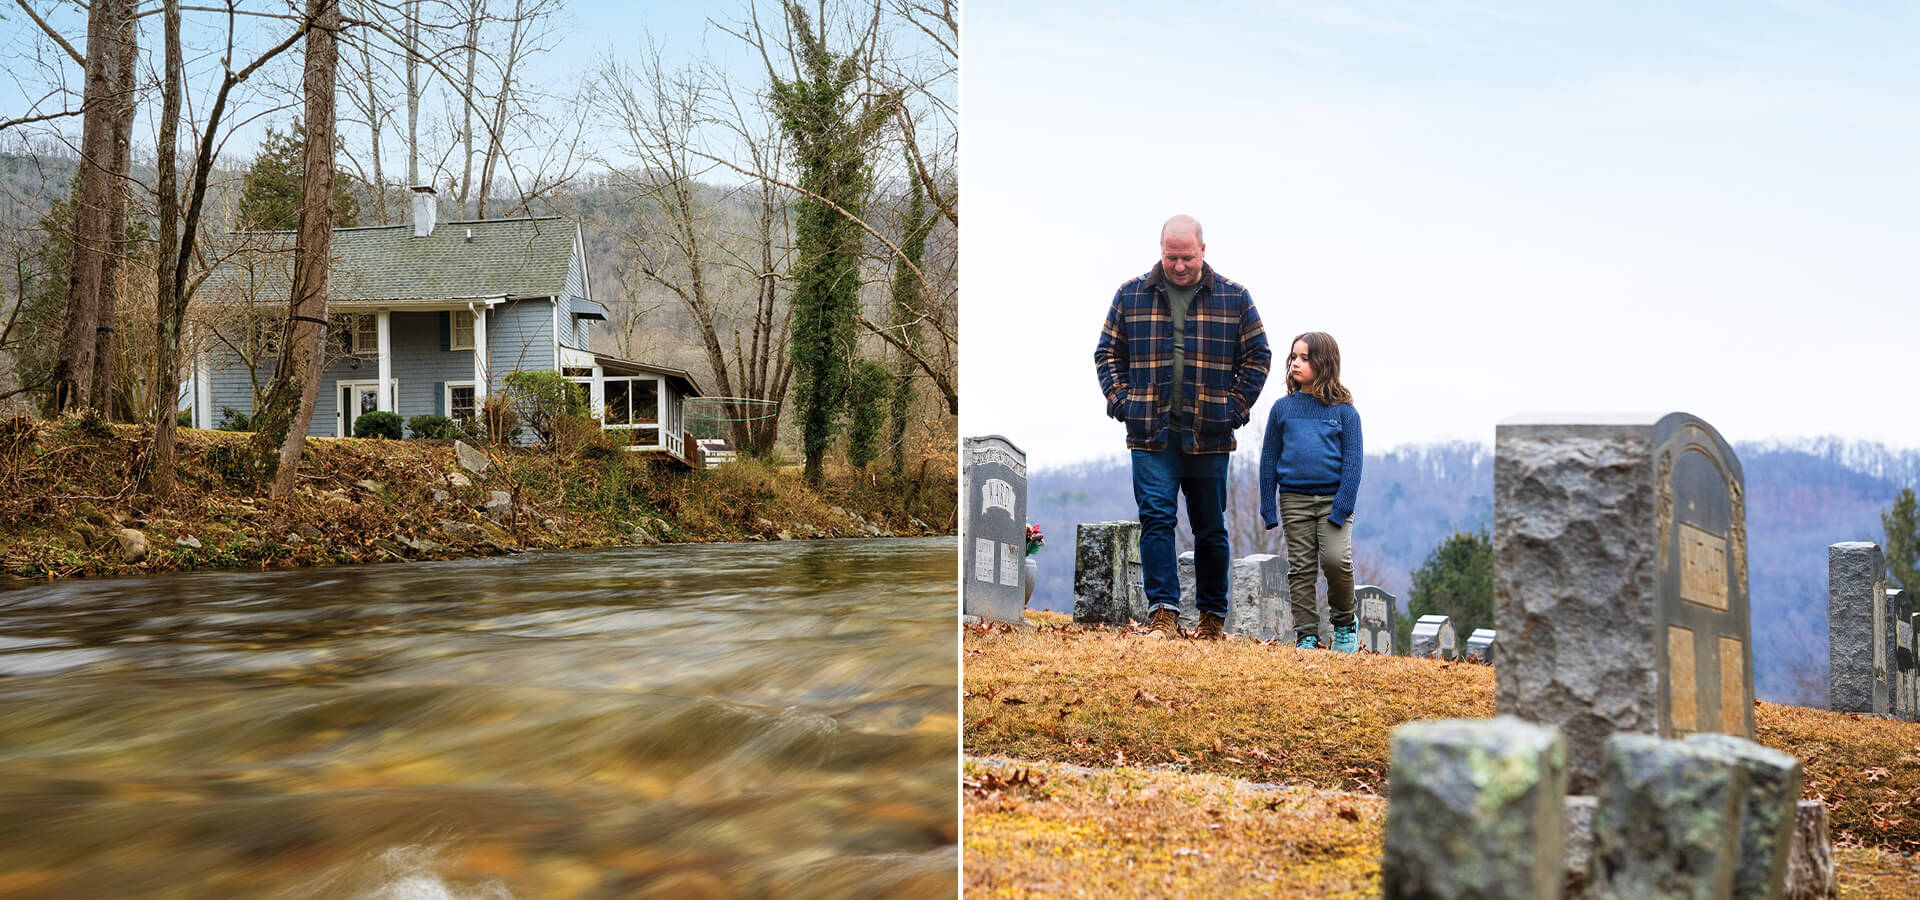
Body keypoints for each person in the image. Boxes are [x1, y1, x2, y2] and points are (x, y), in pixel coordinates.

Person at [1094, 214, 1271, 640]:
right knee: (1156, 518)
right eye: (1171, 257)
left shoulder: (1234, 297)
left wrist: (1233, 409)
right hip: (1150, 434)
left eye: (1186, 257)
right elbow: (1106, 354)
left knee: (1210, 525)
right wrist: (1123, 404)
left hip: (1209, 436)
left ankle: (1212, 618)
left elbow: (1258, 357)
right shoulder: (1130, 294)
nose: (1178, 266)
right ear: (1161, 251)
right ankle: (1163, 615)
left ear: (1203, 251)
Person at [1259, 331, 1363, 652]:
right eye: (1293, 357)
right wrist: (1268, 506)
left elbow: (1353, 464)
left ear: (1324, 363)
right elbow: (1268, 459)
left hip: (1334, 501)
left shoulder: (1345, 412)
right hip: (1294, 500)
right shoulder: (1282, 409)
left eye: (1304, 358)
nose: (1295, 364)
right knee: (1301, 569)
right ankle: (1306, 634)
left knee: (1335, 561)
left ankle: (1345, 624)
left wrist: (1342, 507)